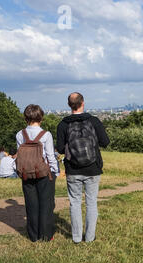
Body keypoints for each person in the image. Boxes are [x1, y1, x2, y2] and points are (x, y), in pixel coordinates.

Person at [57, 92, 110, 244]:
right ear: (83, 103)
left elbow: (60, 149)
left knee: (75, 202)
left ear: (69, 105)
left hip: (72, 169)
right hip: (93, 168)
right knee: (91, 202)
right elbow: (105, 141)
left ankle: (76, 237)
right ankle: (90, 237)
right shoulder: (93, 121)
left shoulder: (63, 124)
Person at [16, 104, 59, 242]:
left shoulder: (20, 134)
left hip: (26, 173)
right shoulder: (46, 135)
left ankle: (33, 235)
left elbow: (20, 155)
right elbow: (50, 156)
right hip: (44, 172)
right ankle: (46, 235)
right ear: (41, 118)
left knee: (31, 204)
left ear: (25, 118)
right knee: (46, 204)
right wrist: (55, 171)